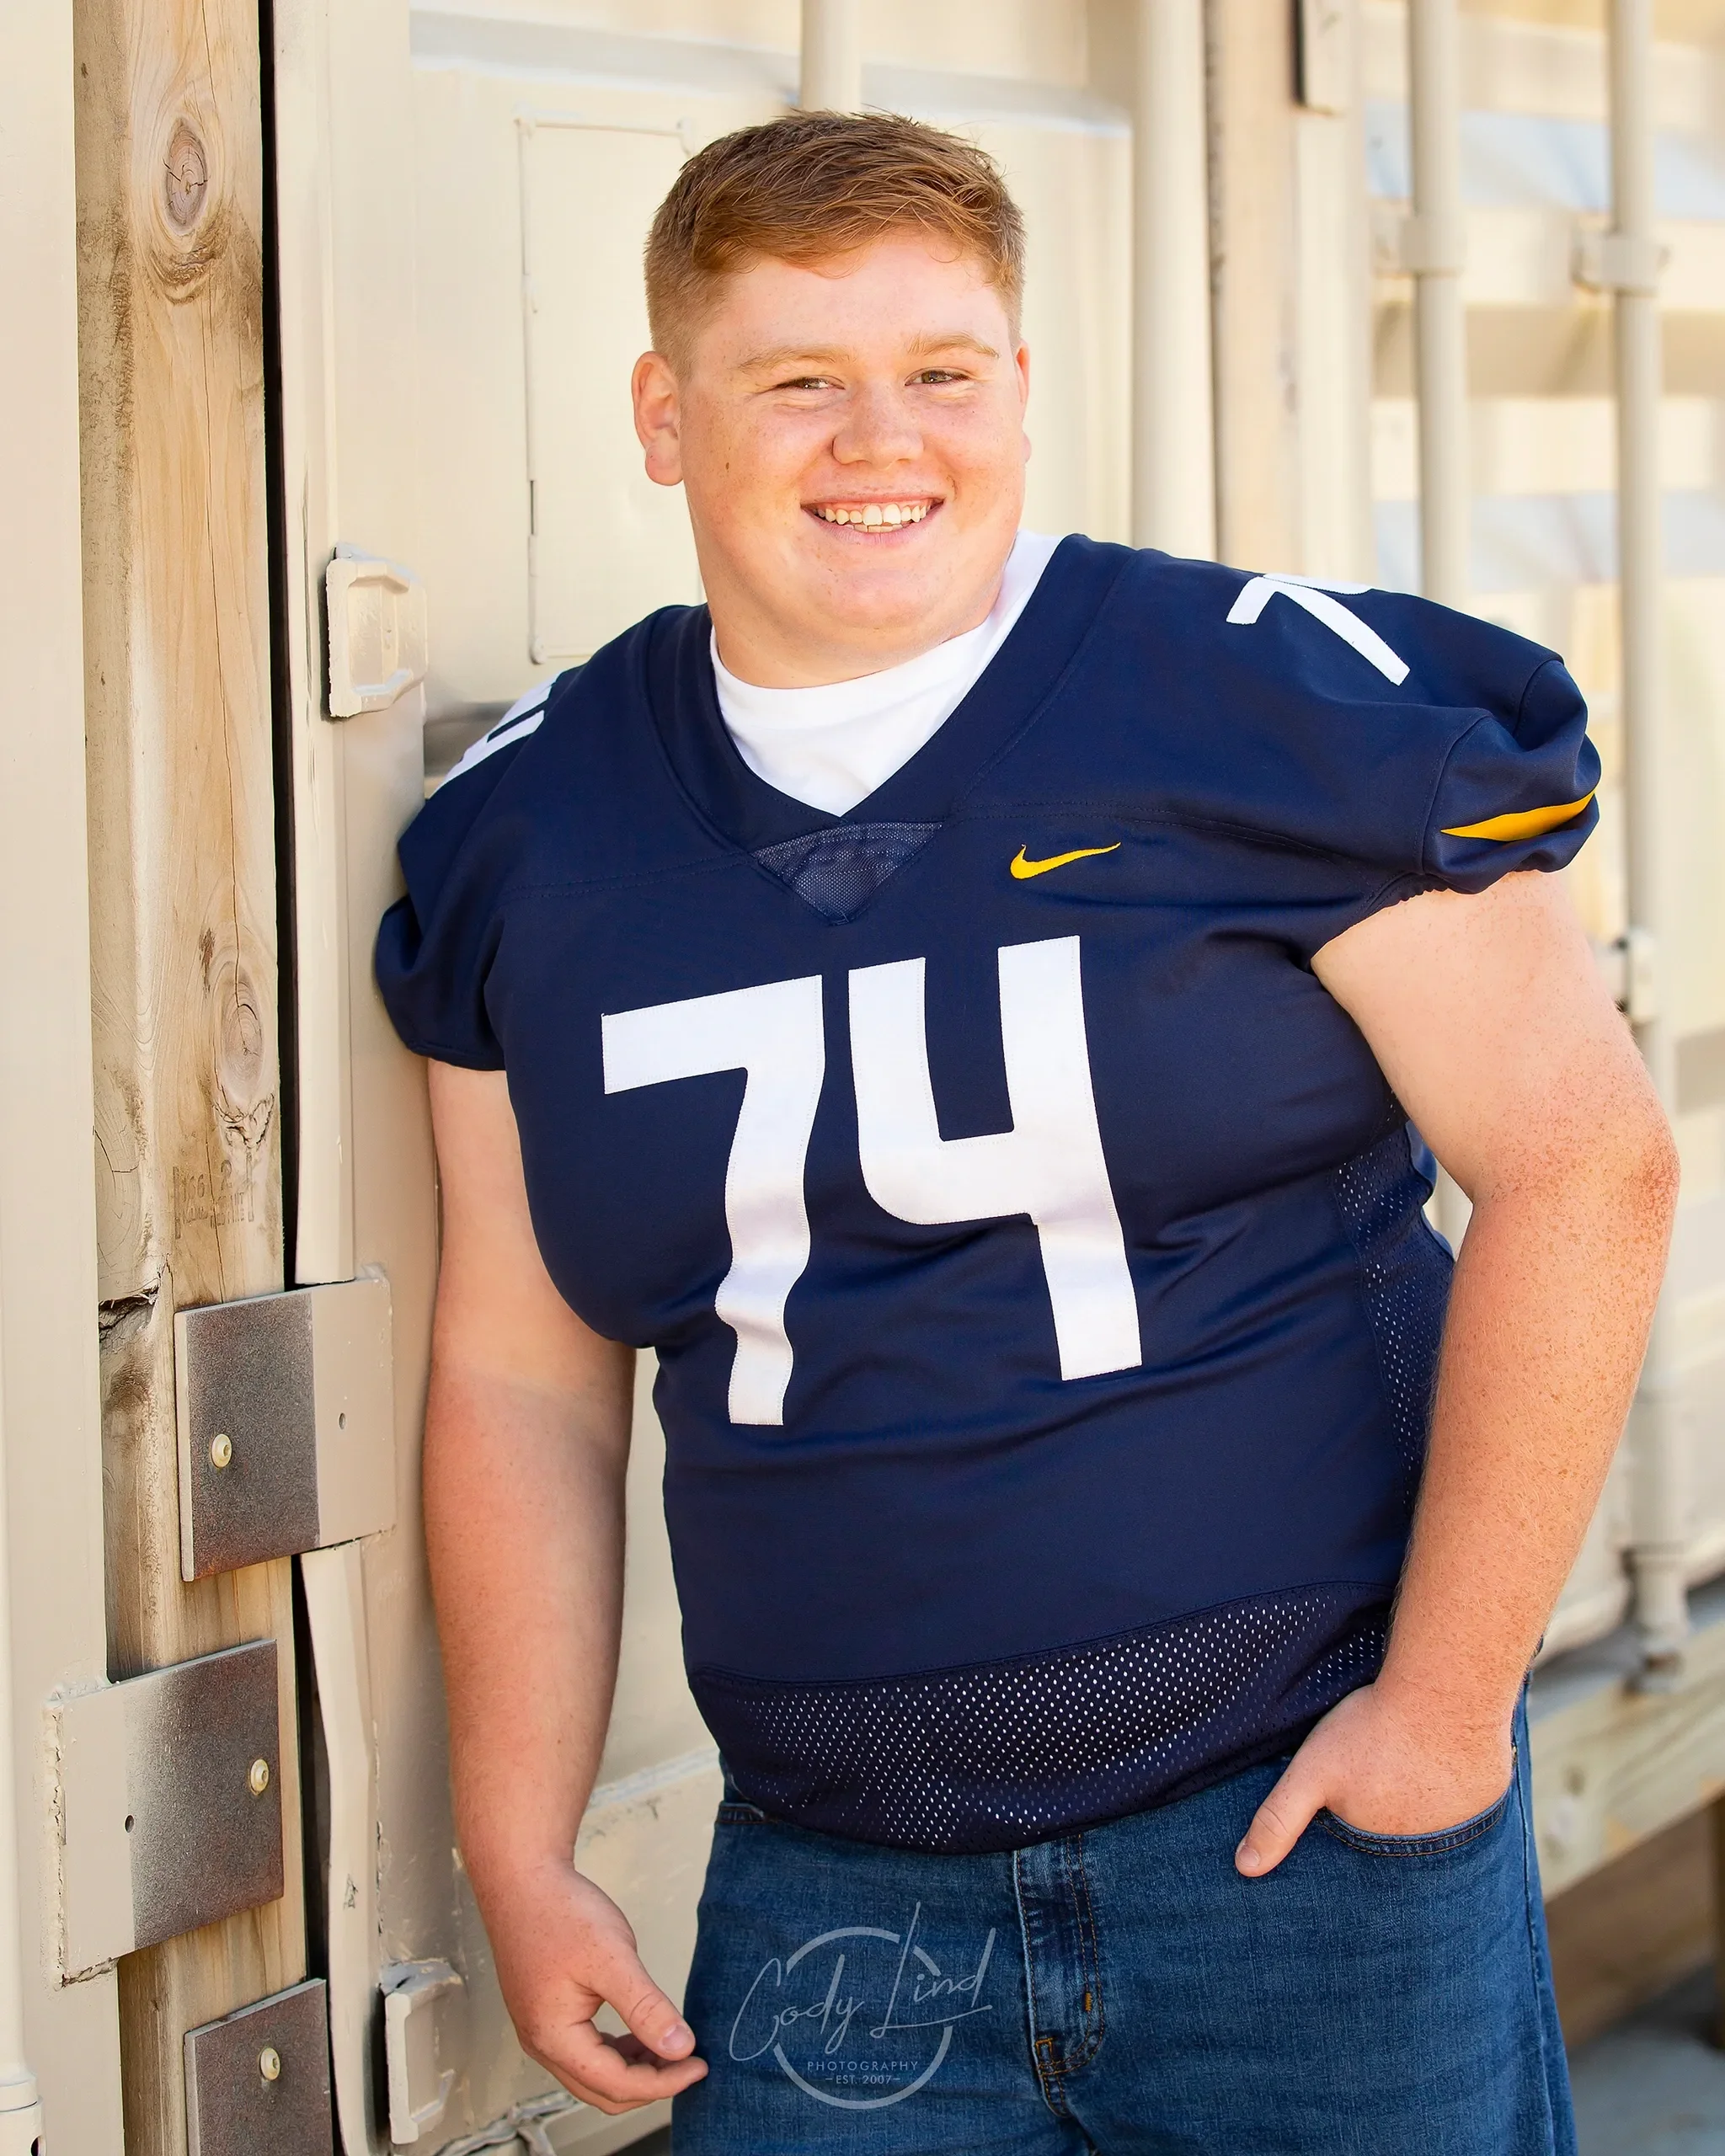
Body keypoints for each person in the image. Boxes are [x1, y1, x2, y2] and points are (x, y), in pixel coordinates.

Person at [377, 112, 1677, 2155]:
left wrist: (1438, 1716)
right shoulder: (529, 840)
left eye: (940, 371)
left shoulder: (1272, 707)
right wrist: (517, 1849)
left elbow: (1585, 1161)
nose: (875, 438)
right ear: (661, 411)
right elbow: (519, 1368)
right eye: (796, 378)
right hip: (831, 1884)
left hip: (1294, 1829)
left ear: (1020, 390)